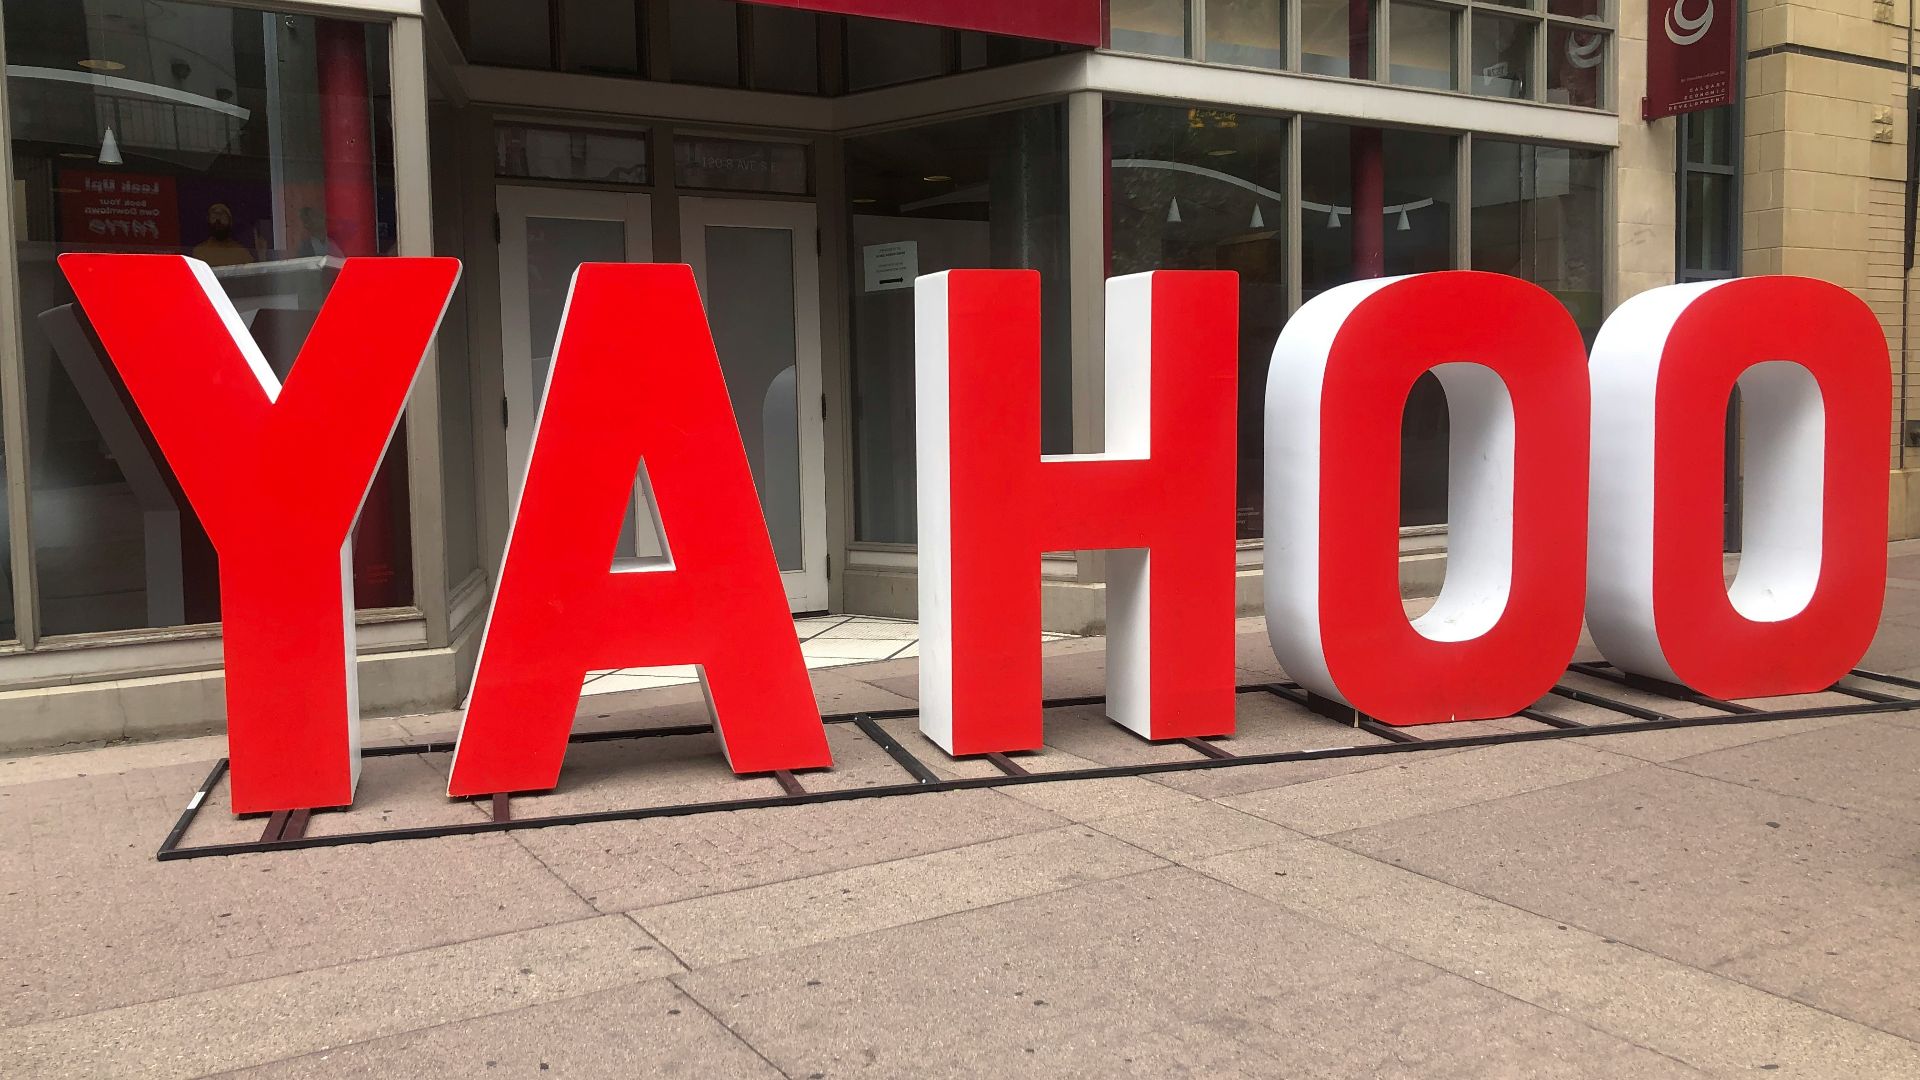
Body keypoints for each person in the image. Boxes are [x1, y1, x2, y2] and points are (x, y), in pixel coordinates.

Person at [189, 202, 253, 266]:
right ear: (208, 221)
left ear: (230, 222)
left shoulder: (241, 252)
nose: (218, 220)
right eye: (214, 216)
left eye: (222, 216)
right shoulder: (199, 252)